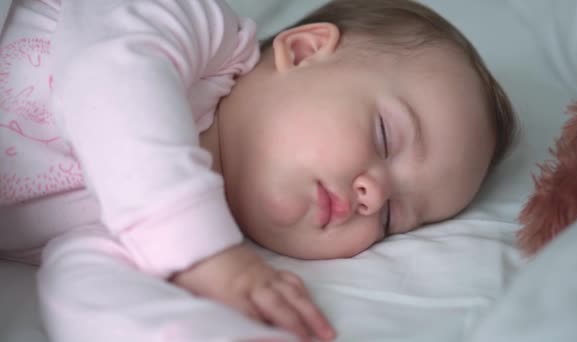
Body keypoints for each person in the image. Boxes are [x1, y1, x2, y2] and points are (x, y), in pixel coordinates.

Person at [0, 0, 516, 341]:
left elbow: (88, 297)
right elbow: (109, 75)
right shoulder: (193, 27)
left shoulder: (164, 247)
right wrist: (207, 254)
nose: (373, 195)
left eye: (392, 219)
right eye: (385, 136)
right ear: (305, 50)